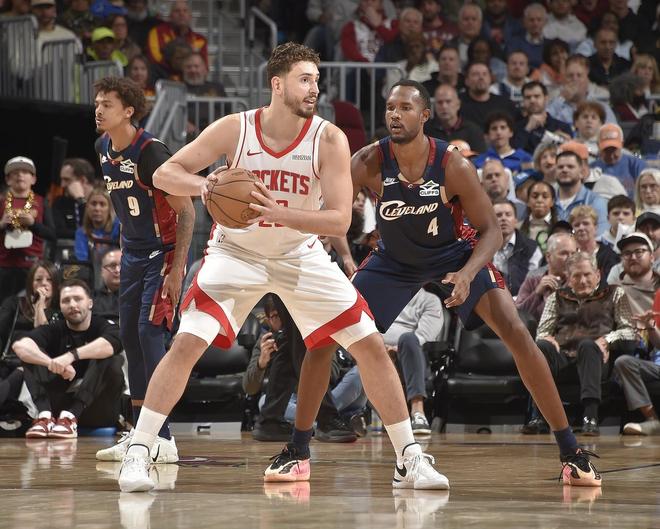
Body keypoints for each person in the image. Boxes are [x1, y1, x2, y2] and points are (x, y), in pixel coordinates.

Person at [117, 44, 450, 493]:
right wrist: (206, 185)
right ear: (277, 84)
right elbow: (162, 174)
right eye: (304, 79)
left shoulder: (328, 138)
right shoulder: (236, 128)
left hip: (300, 254)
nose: (314, 88)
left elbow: (339, 220)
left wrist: (278, 213)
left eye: (316, 80)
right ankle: (140, 451)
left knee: (370, 344)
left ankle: (408, 459)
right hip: (236, 253)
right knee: (187, 342)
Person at [330, 79, 601, 486]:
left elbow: (491, 230)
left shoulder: (452, 165)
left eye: (405, 107)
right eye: (389, 107)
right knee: (331, 330)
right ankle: (305, 440)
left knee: (516, 332)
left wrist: (467, 273)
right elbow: (333, 215)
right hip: (395, 260)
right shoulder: (367, 161)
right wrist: (345, 256)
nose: (394, 114)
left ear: (425, 115)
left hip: (454, 254)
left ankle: (570, 451)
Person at [92, 77, 194, 465]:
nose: (98, 110)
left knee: (150, 335)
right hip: (132, 254)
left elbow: (187, 211)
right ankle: (140, 432)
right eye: (97, 103)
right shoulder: (102, 148)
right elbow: (125, 206)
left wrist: (177, 268)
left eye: (107, 104)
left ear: (128, 111)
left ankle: (162, 437)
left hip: (162, 253)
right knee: (131, 340)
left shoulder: (151, 152)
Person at [528, 251, 636, 435]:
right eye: (576, 276)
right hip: (564, 357)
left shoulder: (614, 293)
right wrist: (547, 337)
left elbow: (629, 330)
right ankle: (538, 416)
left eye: (587, 274)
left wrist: (607, 340)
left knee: (587, 345)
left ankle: (590, 417)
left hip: (595, 359)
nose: (583, 280)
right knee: (541, 347)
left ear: (598, 275)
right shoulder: (557, 296)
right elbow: (542, 331)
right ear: (569, 278)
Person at [12, 279, 125, 438]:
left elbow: (110, 345)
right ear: (60, 306)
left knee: (110, 358)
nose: (72, 304)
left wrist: (70, 356)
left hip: (97, 410)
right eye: (66, 300)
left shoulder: (104, 326)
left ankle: (71, 417)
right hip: (58, 413)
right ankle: (44, 416)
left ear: (90, 303)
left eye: (78, 299)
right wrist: (52, 363)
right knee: (32, 354)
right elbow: (20, 346)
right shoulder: (54, 329)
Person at [611, 232, 660, 435]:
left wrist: (649, 327)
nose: (633, 257)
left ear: (652, 256)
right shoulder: (614, 291)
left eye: (639, 252)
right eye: (627, 253)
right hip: (639, 354)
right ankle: (653, 420)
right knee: (623, 361)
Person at [383, 287, 445, 435]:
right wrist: (380, 348)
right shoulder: (380, 297)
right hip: (378, 352)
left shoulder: (429, 300)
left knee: (408, 338)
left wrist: (396, 349)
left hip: (412, 354)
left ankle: (418, 412)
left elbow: (425, 335)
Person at [0, 157, 56, 305]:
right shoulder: (1, 202)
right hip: (3, 265)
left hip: (32, 266)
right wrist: (2, 224)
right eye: (15, 172)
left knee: (30, 306)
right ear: (7, 179)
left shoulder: (42, 202)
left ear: (33, 179)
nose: (20, 175)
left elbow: (52, 234)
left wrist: (33, 224)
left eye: (25, 172)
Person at [515, 232, 577, 323]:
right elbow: (517, 316)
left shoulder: (579, 282)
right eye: (564, 253)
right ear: (548, 257)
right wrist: (537, 293)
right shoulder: (532, 281)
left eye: (573, 254)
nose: (570, 259)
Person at [492, 198, 542, 297]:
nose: (503, 219)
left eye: (508, 214)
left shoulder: (531, 248)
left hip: (521, 301)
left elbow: (534, 285)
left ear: (515, 220)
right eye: (498, 215)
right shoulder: (481, 247)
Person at [512, 81, 572, 156]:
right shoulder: (516, 127)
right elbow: (513, 154)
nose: (532, 100)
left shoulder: (563, 127)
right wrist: (527, 129)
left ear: (546, 98)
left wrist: (563, 141)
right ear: (523, 101)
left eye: (537, 96)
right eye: (528, 97)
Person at [423, 84, 486, 153]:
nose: (444, 106)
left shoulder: (473, 131)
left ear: (458, 104)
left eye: (448, 101)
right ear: (434, 106)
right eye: (439, 102)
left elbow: (481, 158)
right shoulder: (425, 131)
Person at [52, 158, 96, 240]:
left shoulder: (103, 199)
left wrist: (81, 200)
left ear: (82, 180)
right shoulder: (60, 202)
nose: (62, 185)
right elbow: (57, 232)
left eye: (66, 180)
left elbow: (97, 228)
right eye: (62, 179)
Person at [73, 186, 120, 263]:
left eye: (102, 204)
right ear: (87, 207)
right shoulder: (81, 232)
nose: (97, 208)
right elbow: (82, 261)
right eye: (93, 204)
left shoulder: (119, 228)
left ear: (110, 209)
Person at [93, 249, 121, 321]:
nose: (118, 270)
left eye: (123, 265)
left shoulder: (139, 296)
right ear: (102, 271)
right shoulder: (91, 298)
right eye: (112, 266)